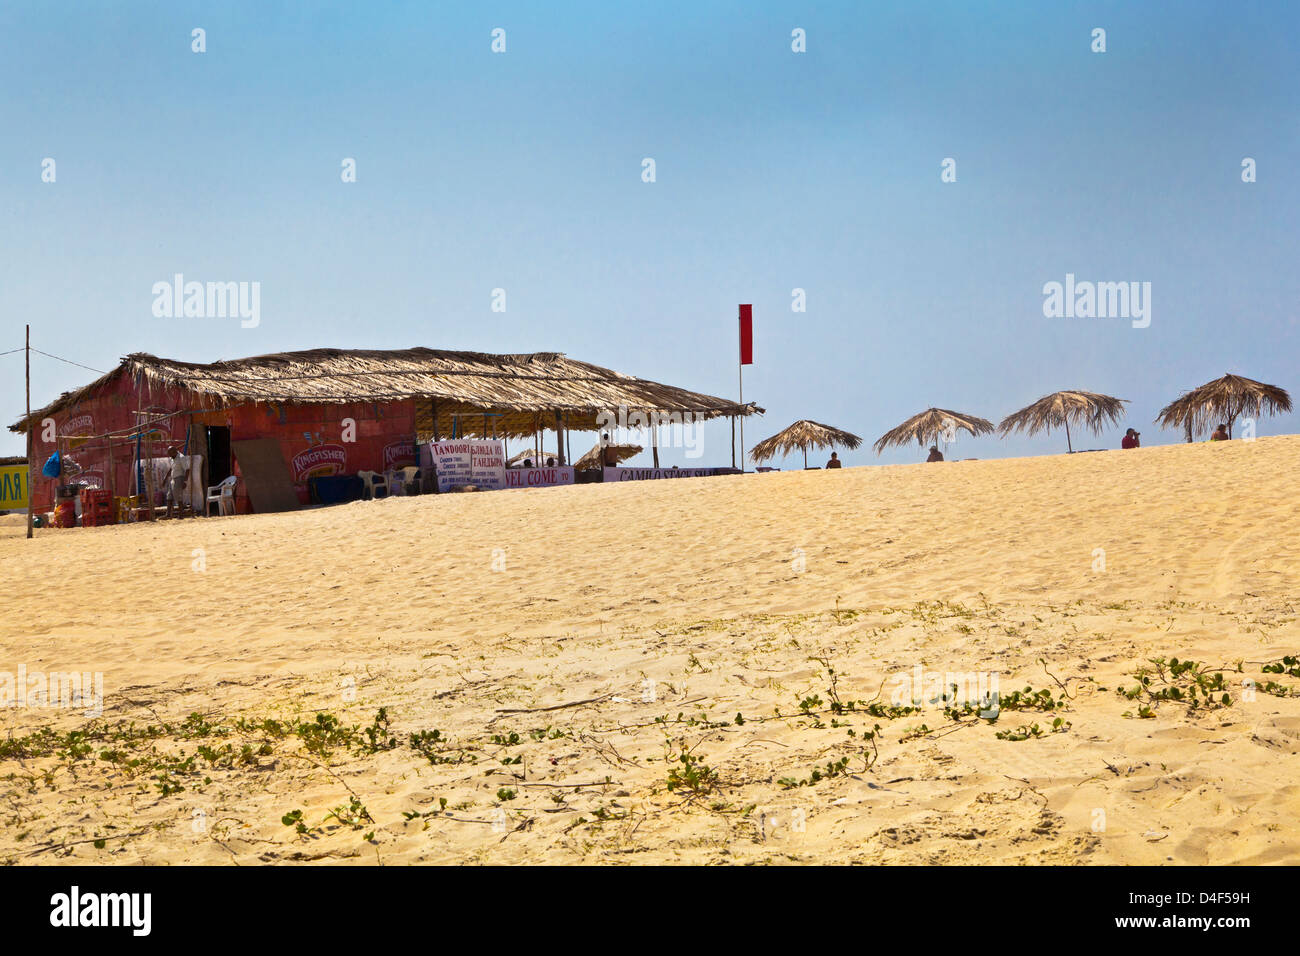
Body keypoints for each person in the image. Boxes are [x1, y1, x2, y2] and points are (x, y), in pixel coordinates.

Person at [165, 446, 189, 518]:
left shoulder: (181, 458)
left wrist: (185, 482)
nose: (169, 455)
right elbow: (171, 468)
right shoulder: (172, 458)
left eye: (170, 453)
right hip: (173, 479)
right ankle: (168, 515)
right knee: (169, 496)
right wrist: (165, 478)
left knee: (178, 497)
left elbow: (187, 470)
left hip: (179, 478)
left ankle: (181, 514)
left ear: (174, 451)